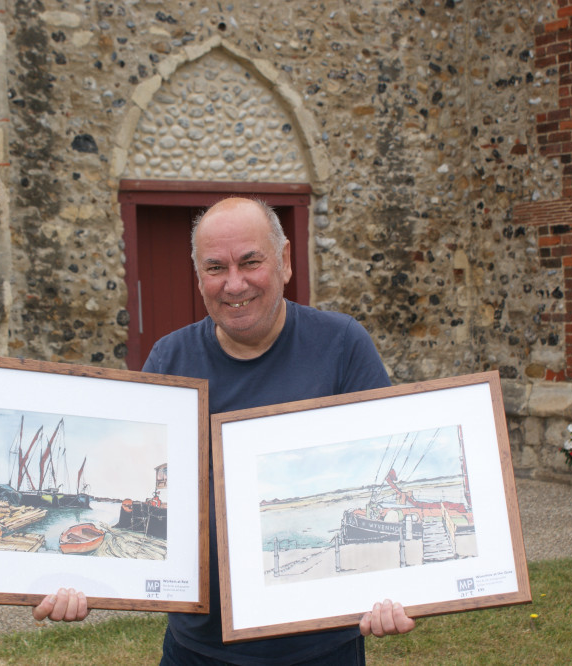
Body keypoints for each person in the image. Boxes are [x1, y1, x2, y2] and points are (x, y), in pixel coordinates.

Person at [34, 197, 415, 663]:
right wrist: (79, 581)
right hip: (198, 650)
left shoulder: (342, 346)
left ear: (285, 261)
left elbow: (379, 473)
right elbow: (137, 483)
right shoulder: (169, 361)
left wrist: (395, 589)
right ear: (198, 277)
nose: (234, 283)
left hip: (320, 646)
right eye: (215, 268)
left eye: (251, 262)